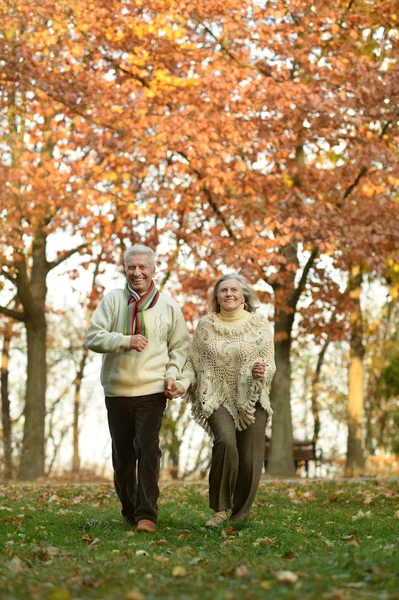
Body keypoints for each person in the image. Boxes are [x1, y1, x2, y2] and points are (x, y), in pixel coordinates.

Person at [85, 244, 190, 533]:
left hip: (152, 390)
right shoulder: (113, 301)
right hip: (117, 391)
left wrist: (171, 376)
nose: (137, 272)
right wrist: (125, 340)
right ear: (125, 269)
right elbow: (93, 338)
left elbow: (180, 348)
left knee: (147, 448)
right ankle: (130, 511)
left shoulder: (168, 306)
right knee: (122, 457)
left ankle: (147, 515)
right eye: (132, 267)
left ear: (153, 270)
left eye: (143, 266)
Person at [175, 273, 275, 527]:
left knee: (251, 459)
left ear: (244, 295)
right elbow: (193, 365)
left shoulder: (260, 325)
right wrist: (181, 384)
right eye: (223, 290)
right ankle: (220, 509)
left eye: (234, 290)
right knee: (226, 441)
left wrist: (260, 372)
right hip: (215, 394)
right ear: (216, 297)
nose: (229, 294)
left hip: (251, 396)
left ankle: (239, 516)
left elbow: (269, 364)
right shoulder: (206, 325)